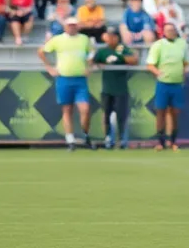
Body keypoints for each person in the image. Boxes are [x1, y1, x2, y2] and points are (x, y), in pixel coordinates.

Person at [39, 16, 95, 151]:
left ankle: (85, 135)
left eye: (74, 25)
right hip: (64, 78)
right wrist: (49, 68)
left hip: (80, 79)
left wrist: (89, 66)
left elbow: (91, 53)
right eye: (69, 25)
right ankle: (70, 140)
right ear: (65, 27)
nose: (72, 27)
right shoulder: (58, 40)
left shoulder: (84, 39)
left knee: (85, 109)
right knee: (67, 110)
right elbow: (41, 51)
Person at [147, 21, 189, 152]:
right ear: (163, 32)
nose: (170, 32)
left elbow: (186, 62)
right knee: (160, 112)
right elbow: (150, 64)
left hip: (177, 83)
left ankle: (173, 141)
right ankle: (160, 142)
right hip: (163, 83)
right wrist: (158, 73)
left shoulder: (182, 44)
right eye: (168, 30)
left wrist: (184, 72)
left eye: (172, 30)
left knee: (175, 113)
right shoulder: (158, 45)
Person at [93, 27, 138, 150]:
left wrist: (120, 58)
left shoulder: (122, 49)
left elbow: (134, 60)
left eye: (113, 36)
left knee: (121, 116)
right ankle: (108, 138)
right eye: (108, 36)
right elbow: (93, 62)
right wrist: (100, 64)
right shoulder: (103, 51)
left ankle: (122, 139)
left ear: (117, 37)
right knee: (106, 114)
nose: (110, 38)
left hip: (121, 89)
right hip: (107, 89)